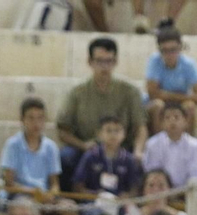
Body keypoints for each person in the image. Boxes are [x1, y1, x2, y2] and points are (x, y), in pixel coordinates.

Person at [57, 38, 148, 187]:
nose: (104, 67)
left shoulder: (130, 91)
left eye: (109, 61)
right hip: (88, 149)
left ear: (115, 62)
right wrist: (83, 145)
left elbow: (141, 127)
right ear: (90, 62)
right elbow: (62, 130)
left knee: (140, 161)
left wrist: (138, 151)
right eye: (99, 61)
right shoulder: (77, 93)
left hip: (122, 148)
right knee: (66, 157)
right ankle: (72, 202)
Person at [73, 116, 145, 215]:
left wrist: (127, 196)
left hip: (119, 203)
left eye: (117, 131)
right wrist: (94, 194)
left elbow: (134, 187)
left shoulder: (128, 159)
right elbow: (78, 186)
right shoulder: (91, 156)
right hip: (94, 203)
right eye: (108, 130)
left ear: (124, 134)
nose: (113, 135)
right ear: (99, 134)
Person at [2, 98, 66, 215]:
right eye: (31, 118)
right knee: (27, 206)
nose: (36, 123)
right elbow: (9, 183)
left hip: (44, 196)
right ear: (22, 119)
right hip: (20, 195)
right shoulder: (12, 145)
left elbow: (54, 183)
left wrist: (51, 195)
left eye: (40, 118)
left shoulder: (51, 147)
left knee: (69, 208)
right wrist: (34, 194)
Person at [145, 27, 197, 134]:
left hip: (179, 105)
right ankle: (159, 145)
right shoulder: (154, 61)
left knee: (190, 107)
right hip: (161, 104)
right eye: (165, 51)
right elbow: (152, 93)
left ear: (180, 48)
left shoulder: (189, 64)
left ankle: (188, 145)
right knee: (157, 105)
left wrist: (167, 95)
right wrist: (181, 96)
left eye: (173, 50)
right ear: (159, 50)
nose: (170, 55)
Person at [143, 102, 197, 192]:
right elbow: (152, 172)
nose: (172, 121)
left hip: (187, 193)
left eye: (176, 117)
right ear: (162, 123)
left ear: (185, 122)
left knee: (195, 183)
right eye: (167, 118)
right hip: (161, 192)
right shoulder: (152, 144)